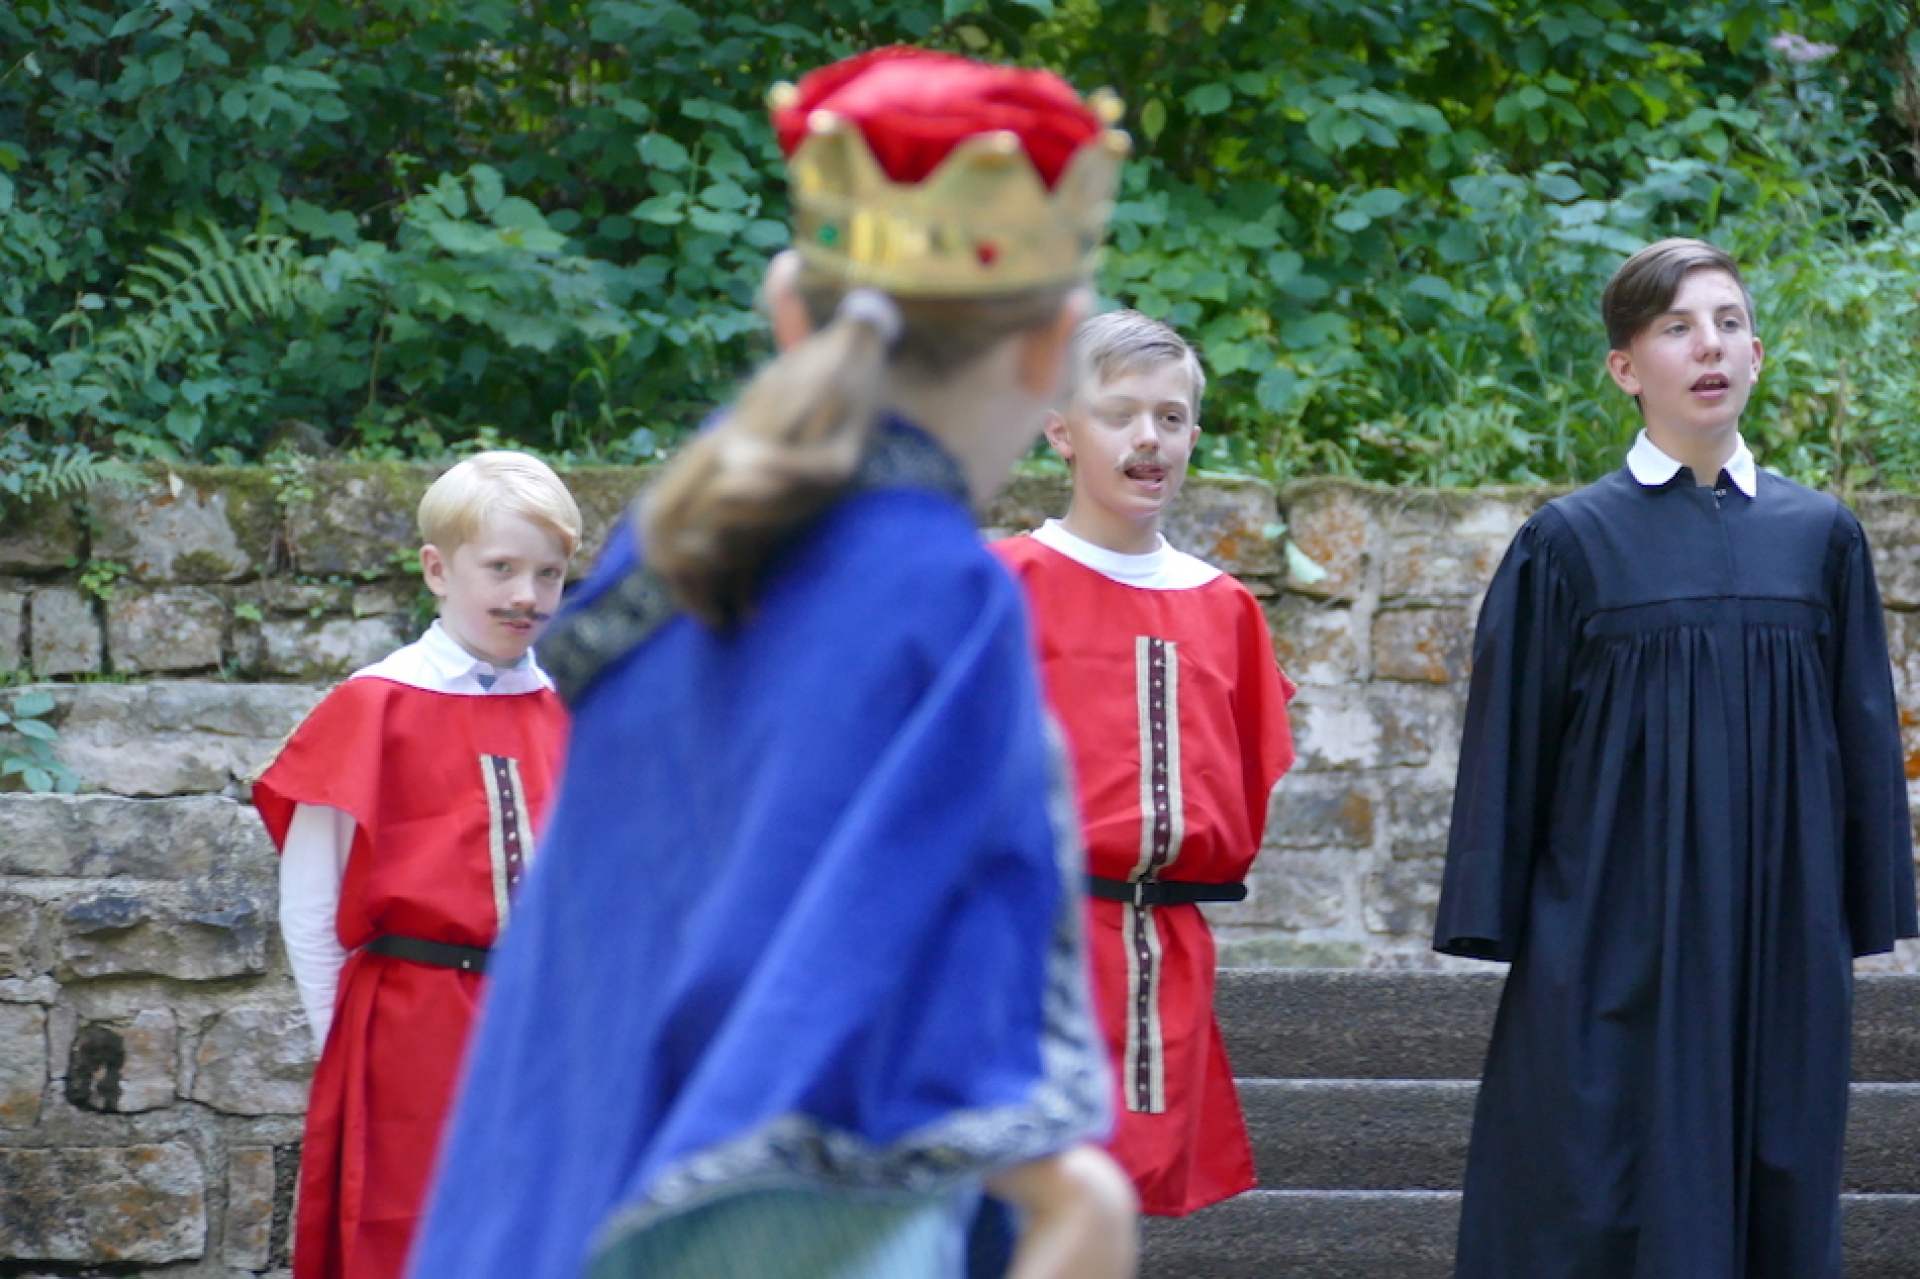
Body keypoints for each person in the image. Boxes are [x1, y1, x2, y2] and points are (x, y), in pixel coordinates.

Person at [407, 47, 1138, 1279]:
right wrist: (1075, 1201)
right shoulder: (941, 592)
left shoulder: (679, 541)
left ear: (791, 311)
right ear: (1052, 348)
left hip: (564, 1195)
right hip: (788, 1221)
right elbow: (952, 955)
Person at [1434, 237, 1918, 1278]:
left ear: (1757, 354)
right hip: (1614, 929)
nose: (1710, 346)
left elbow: (1862, 734)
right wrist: (1506, 917)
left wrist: (1859, 903)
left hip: (1780, 931)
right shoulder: (1570, 543)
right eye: (1677, 327)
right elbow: (1512, 743)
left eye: (1730, 323)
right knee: (1596, 1185)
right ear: (1625, 367)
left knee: (1776, 1179)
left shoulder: (1821, 537)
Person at [990, 310, 1296, 1216]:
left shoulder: (1224, 607)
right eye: (1119, 413)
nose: (1148, 438)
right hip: (1031, 943)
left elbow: (1245, 772)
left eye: (1170, 417)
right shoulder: (1006, 585)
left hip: (1166, 949)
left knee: (1127, 1195)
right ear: (1061, 431)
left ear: (1194, 435)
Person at [252, 450, 581, 1279]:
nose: (527, 595)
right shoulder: (376, 704)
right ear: (438, 569)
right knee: (407, 1238)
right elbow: (311, 904)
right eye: (500, 568)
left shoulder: (570, 708)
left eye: (549, 573)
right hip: (406, 1031)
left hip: (544, 1024)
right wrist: (346, 1054)